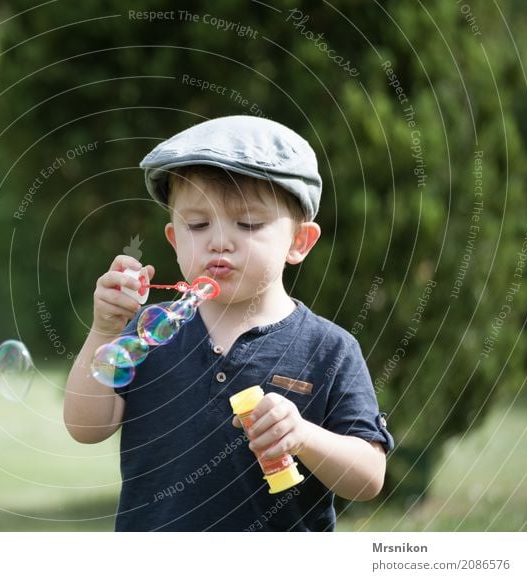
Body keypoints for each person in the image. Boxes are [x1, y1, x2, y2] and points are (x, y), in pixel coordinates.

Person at [64, 115, 393, 531]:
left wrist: (304, 436)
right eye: (198, 224)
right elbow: (85, 427)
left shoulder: (328, 348)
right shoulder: (149, 334)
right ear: (174, 239)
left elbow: (368, 478)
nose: (219, 240)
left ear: (299, 242)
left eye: (249, 223)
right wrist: (106, 330)